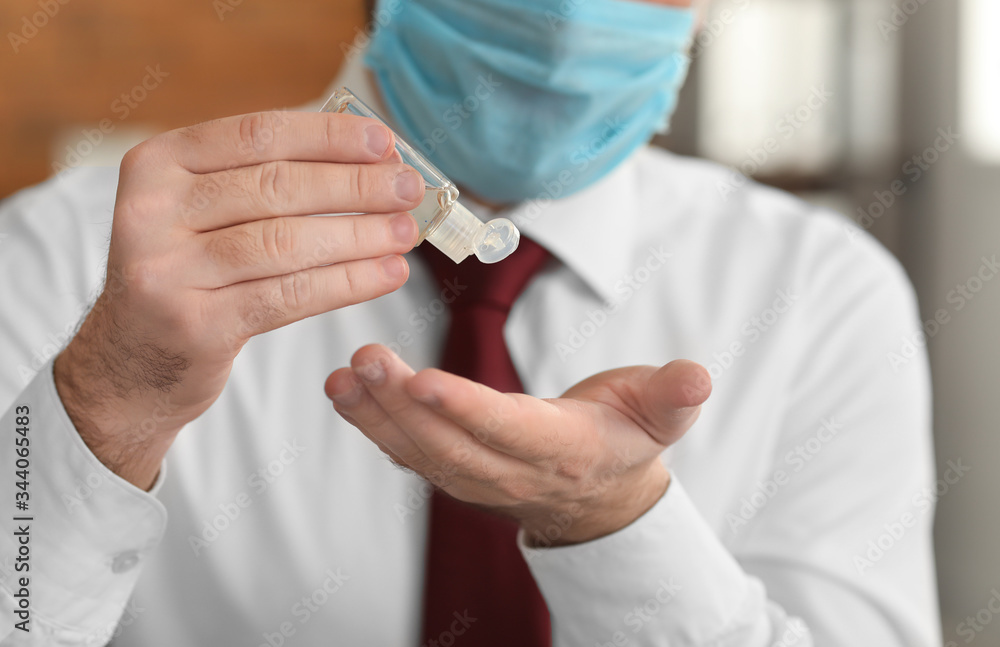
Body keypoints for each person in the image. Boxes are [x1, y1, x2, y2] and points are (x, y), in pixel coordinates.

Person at [0, 0, 939, 644]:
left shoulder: (818, 292)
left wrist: (614, 524)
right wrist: (106, 405)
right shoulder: (64, 259)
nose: (568, 17)